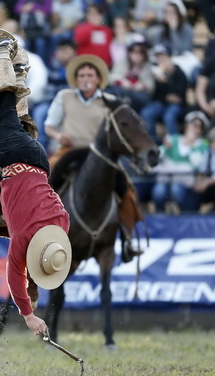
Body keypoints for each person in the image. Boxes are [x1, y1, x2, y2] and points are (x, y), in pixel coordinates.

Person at [0, 30, 71, 336]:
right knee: (3, 103)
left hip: (39, 159)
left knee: (16, 120)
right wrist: (28, 316)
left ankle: (17, 74)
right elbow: (14, 277)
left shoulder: (62, 225)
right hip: (14, 157)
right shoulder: (23, 240)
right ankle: (4, 55)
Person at [44, 53, 143, 261]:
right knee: (45, 184)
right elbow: (49, 125)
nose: (85, 78)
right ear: (76, 79)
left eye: (90, 74)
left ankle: (127, 240)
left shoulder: (110, 101)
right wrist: (58, 135)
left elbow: (119, 130)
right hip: (69, 151)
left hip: (100, 155)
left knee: (126, 189)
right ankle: (38, 232)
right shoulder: (65, 96)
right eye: (81, 75)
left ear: (98, 79)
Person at [151, 111, 210, 213]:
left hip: (186, 184)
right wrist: (165, 148)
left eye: (199, 126)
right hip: (165, 179)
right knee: (158, 191)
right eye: (193, 124)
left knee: (176, 189)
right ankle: (159, 216)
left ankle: (180, 216)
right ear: (187, 125)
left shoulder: (203, 145)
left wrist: (190, 145)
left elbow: (197, 165)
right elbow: (158, 155)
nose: (195, 128)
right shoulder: (173, 139)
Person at [140, 43, 188, 144]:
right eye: (158, 58)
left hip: (177, 106)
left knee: (169, 116)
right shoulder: (156, 73)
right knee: (147, 113)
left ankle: (174, 145)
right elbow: (155, 95)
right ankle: (152, 142)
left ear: (170, 58)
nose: (160, 61)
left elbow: (179, 97)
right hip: (161, 103)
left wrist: (165, 82)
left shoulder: (179, 72)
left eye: (163, 58)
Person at [106, 37, 154, 113]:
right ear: (129, 52)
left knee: (143, 98)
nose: (137, 55)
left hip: (137, 96)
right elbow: (112, 77)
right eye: (134, 51)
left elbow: (150, 85)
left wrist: (141, 85)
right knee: (113, 92)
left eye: (141, 52)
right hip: (122, 92)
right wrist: (122, 81)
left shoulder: (147, 65)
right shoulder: (123, 61)